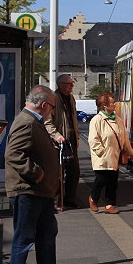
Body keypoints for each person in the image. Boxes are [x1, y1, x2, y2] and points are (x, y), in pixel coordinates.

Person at [4, 85, 70, 264]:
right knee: (24, 237)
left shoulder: (34, 121)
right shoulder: (26, 122)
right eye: (52, 107)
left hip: (40, 192)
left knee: (47, 232)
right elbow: (13, 154)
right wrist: (37, 173)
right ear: (44, 105)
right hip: (28, 190)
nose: (52, 110)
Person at [87, 92, 133, 215]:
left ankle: (109, 205)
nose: (114, 104)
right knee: (101, 180)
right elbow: (93, 139)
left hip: (115, 156)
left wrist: (129, 152)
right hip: (102, 157)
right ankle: (93, 198)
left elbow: (124, 137)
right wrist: (101, 151)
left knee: (113, 182)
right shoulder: (96, 120)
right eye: (112, 102)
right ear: (104, 106)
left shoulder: (118, 120)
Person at [44, 74, 81, 209]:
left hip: (70, 138)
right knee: (58, 172)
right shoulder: (53, 99)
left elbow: (73, 119)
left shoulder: (71, 98)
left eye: (72, 84)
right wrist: (56, 135)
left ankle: (70, 199)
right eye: (69, 84)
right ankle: (57, 201)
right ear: (60, 85)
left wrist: (76, 137)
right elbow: (47, 122)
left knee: (74, 170)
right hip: (59, 140)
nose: (71, 86)